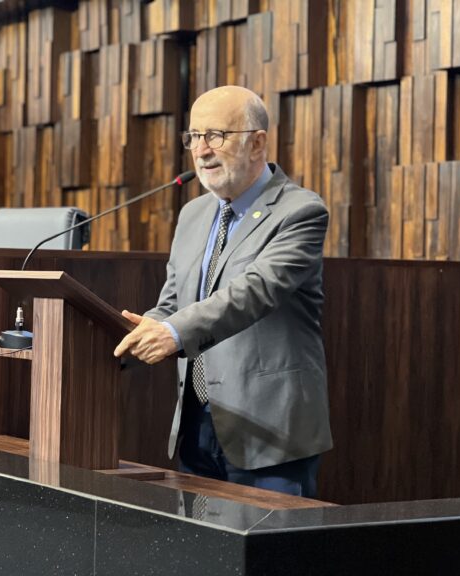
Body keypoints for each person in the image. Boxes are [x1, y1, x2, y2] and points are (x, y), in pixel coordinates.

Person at [114, 86, 332, 498]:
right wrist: (130, 336)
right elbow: (173, 303)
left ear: (257, 143)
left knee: (268, 559)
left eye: (215, 135)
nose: (201, 150)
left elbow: (254, 292)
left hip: (269, 434)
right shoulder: (194, 213)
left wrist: (173, 332)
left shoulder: (299, 211)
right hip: (196, 426)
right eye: (194, 137)